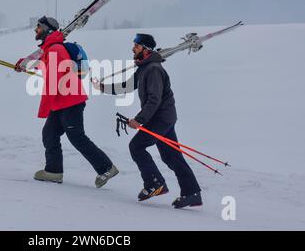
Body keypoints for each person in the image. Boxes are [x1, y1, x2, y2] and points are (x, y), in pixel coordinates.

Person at [93, 33, 202, 208]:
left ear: (146, 49)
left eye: (136, 46)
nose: (133, 49)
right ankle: (192, 193)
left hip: (160, 118)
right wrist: (102, 87)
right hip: (163, 118)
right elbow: (127, 86)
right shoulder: (144, 68)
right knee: (171, 156)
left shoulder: (153, 70)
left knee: (136, 147)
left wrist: (138, 119)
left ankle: (155, 183)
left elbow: (154, 99)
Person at [15, 16, 118, 188]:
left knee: (77, 137)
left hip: (70, 101)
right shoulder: (51, 49)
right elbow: (43, 65)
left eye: (38, 27)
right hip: (60, 102)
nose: (35, 30)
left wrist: (47, 94)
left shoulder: (55, 49)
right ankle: (54, 171)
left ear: (47, 30)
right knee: (49, 134)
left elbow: (57, 75)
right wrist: (23, 64)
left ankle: (107, 168)